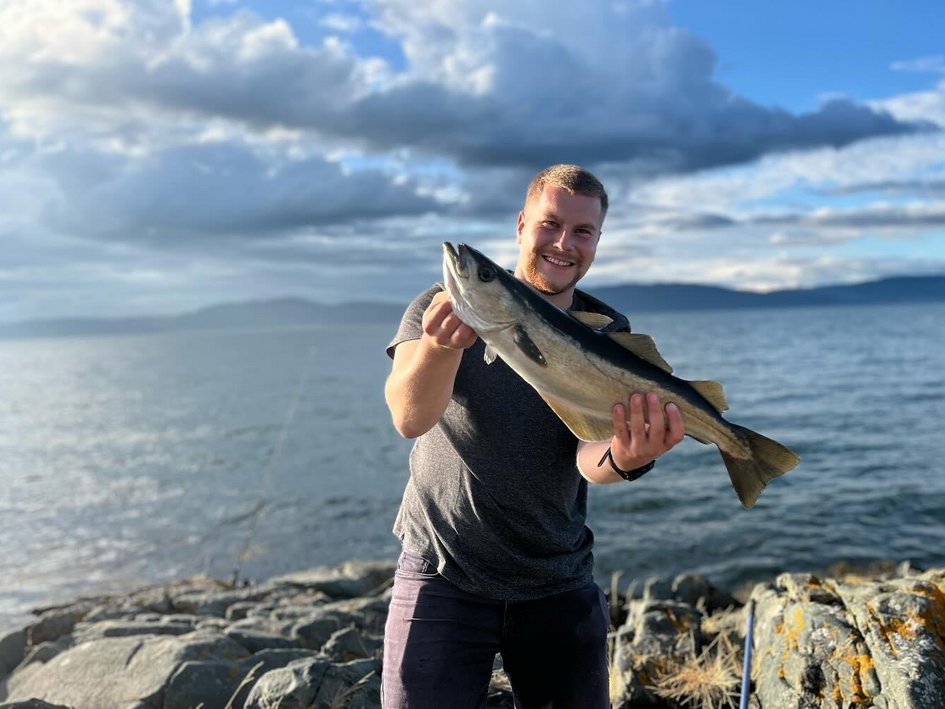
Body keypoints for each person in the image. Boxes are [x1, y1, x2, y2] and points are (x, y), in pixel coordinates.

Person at [381, 164, 685, 708]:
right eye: (550, 224)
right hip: (441, 571)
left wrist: (627, 456)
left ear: (597, 240)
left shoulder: (609, 332)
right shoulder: (440, 306)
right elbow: (409, 418)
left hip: (558, 581)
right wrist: (440, 348)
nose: (564, 244)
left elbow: (589, 457)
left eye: (583, 231)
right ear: (522, 225)